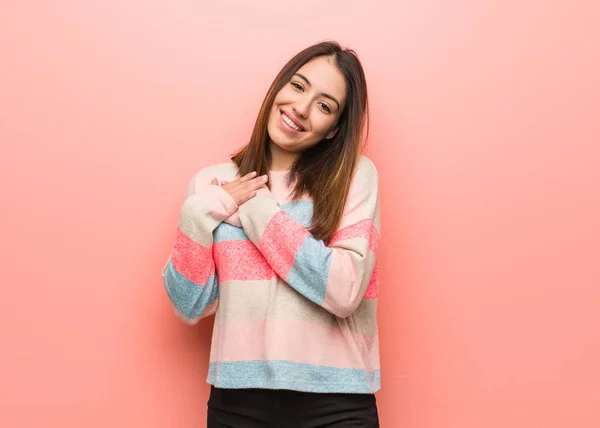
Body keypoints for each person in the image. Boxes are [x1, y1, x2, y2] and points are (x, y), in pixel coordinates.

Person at [162, 40, 381, 427]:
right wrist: (197, 214)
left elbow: (345, 289)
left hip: (337, 403)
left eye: (324, 105)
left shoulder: (352, 177)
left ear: (333, 130)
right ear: (278, 88)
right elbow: (190, 307)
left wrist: (256, 207)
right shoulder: (212, 185)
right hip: (237, 402)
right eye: (297, 86)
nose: (300, 107)